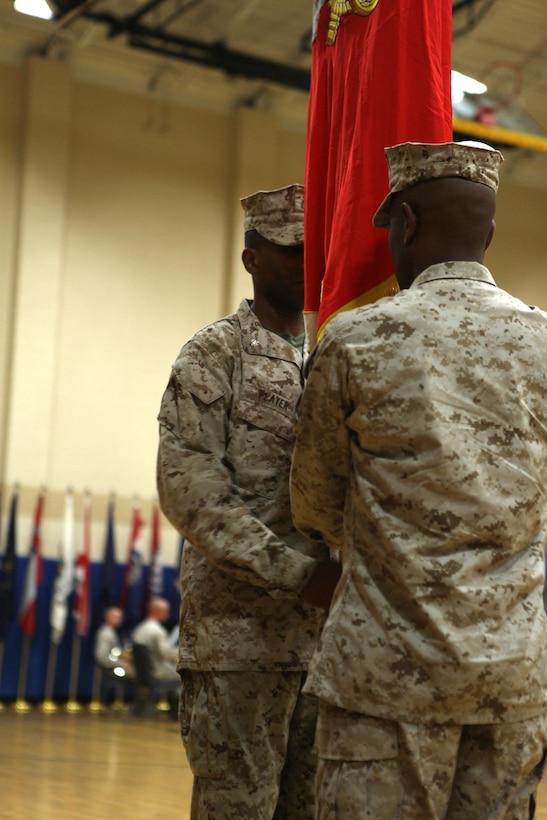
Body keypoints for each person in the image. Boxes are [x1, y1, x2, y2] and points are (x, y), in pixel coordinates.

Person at [290, 141, 547, 819]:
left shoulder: (356, 340)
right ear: (488, 233)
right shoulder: (543, 342)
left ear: (403, 223)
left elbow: (314, 499)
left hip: (384, 678)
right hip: (509, 685)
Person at [156, 184, 340, 819]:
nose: (304, 265)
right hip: (238, 646)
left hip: (326, 650)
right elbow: (192, 495)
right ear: (252, 258)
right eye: (289, 251)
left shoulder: (334, 354)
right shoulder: (214, 355)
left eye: (312, 252)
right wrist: (300, 575)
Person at [132, 596, 179, 683]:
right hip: (155, 671)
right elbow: (164, 654)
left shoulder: (140, 627)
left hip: (141, 672)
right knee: (184, 674)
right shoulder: (157, 630)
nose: (168, 614)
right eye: (166, 611)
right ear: (157, 611)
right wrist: (183, 652)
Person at [94, 606, 134, 680]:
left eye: (120, 617)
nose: (118, 620)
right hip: (111, 669)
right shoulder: (106, 633)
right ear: (107, 617)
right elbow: (101, 657)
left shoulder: (112, 632)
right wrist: (120, 664)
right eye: (116, 617)